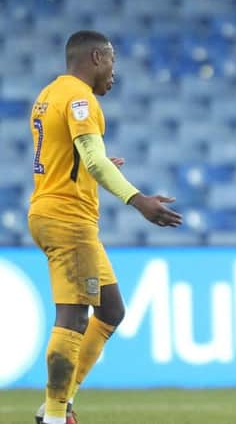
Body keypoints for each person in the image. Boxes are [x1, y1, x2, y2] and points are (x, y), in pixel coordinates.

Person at [29, 30, 183, 424]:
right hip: (67, 219)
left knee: (110, 309)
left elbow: (73, 160)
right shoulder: (81, 99)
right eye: (112, 60)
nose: (114, 71)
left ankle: (57, 405)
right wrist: (139, 200)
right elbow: (93, 161)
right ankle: (54, 416)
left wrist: (91, 170)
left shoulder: (49, 94)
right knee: (73, 317)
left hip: (53, 210)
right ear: (96, 57)